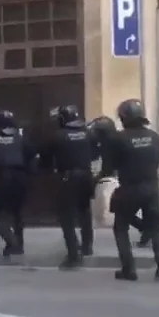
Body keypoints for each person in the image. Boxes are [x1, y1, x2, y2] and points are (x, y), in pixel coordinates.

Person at [106, 99, 159, 281]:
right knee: (155, 226)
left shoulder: (118, 138)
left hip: (129, 188)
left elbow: (110, 166)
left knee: (120, 228)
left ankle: (129, 269)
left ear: (124, 117)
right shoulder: (154, 136)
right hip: (151, 187)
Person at [43, 106, 95, 269]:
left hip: (69, 177)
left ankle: (74, 255)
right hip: (87, 175)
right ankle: (87, 246)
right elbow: (95, 153)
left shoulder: (58, 136)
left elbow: (46, 158)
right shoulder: (88, 133)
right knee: (85, 211)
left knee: (67, 217)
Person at [0, 110, 34, 259]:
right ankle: (19, 245)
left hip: (2, 178)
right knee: (17, 213)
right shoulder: (21, 138)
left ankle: (12, 242)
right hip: (20, 178)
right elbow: (32, 157)